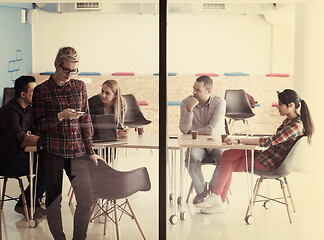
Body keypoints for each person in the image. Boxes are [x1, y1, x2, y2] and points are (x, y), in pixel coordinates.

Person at [197, 89, 313, 214]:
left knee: (227, 161)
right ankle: (219, 199)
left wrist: (240, 140)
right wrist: (239, 140)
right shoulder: (289, 121)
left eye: (280, 104)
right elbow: (271, 142)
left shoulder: (296, 126)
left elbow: (268, 141)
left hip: (271, 163)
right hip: (267, 156)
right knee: (228, 155)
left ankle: (218, 198)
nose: (277, 107)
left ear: (290, 105)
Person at [32, 46, 104, 240]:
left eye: (74, 70)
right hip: (52, 151)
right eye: (66, 70)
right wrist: (59, 116)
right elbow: (37, 125)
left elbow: (86, 120)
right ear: (56, 64)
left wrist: (91, 151)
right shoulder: (41, 91)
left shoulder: (80, 87)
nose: (70, 74)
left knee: (86, 199)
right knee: (54, 201)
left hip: (78, 151)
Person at [0, 75, 46, 219]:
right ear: (23, 94)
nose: (37, 94)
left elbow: (37, 131)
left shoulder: (29, 109)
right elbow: (22, 139)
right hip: (6, 159)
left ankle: (30, 202)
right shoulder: (9, 111)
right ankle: (25, 203)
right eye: (34, 91)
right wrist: (45, 141)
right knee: (46, 166)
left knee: (51, 163)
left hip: (20, 155)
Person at [179, 75, 227, 204]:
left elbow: (212, 130)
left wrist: (192, 131)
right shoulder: (186, 103)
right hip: (197, 144)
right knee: (191, 157)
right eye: (193, 89)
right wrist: (189, 110)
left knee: (225, 159)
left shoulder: (219, 102)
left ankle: (213, 191)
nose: (194, 92)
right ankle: (201, 191)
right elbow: (184, 130)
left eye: (198, 90)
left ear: (208, 91)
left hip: (216, 143)